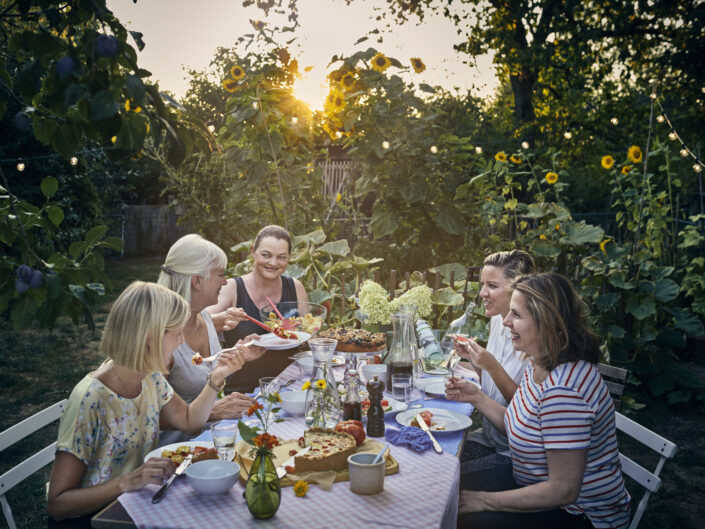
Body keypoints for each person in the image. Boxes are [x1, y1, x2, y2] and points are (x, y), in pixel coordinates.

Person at [47, 282, 247, 523]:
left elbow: (189, 421)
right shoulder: (90, 399)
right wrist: (126, 481)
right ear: (151, 336)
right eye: (177, 332)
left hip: (140, 503)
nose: (182, 341)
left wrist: (216, 379)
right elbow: (57, 504)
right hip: (99, 520)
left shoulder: (150, 377)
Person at [445, 273, 631, 529]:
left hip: (578, 514)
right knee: (446, 487)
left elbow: (563, 490)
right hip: (531, 484)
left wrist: (484, 500)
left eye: (517, 315)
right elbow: (516, 424)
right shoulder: (539, 362)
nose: (507, 322)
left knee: (457, 517)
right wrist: (476, 397)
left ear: (548, 324)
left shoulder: (564, 392)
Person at [157, 234, 267, 444]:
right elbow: (145, 415)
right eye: (220, 274)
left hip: (215, 436)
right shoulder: (163, 337)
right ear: (197, 281)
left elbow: (207, 370)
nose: (226, 281)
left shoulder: (204, 317)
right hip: (178, 453)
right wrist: (213, 411)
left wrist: (239, 354)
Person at [454, 250, 534, 472]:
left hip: (514, 453)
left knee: (448, 476)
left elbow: (526, 408)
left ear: (518, 289)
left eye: (492, 286)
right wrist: (468, 360)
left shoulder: (534, 337)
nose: (482, 293)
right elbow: (490, 378)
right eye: (482, 284)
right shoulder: (498, 321)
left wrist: (490, 365)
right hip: (490, 437)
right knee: (435, 459)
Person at [207, 225, 308, 393]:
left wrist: (301, 330)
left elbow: (307, 336)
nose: (273, 263)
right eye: (266, 255)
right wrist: (221, 319)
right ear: (253, 251)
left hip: (292, 387)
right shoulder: (232, 288)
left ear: (289, 258)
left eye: (281, 257)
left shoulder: (295, 287)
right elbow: (198, 324)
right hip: (242, 391)